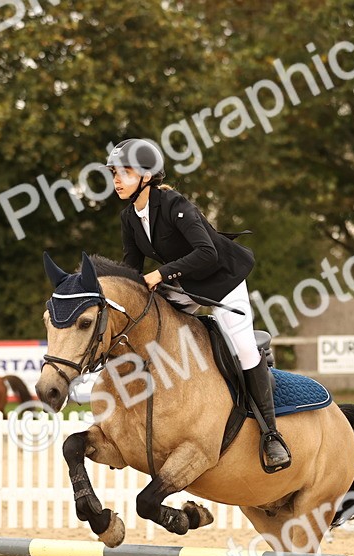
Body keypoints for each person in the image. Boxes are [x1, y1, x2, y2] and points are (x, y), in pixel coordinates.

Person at [105, 138, 290, 472]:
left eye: (125, 172)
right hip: (181, 285)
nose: (117, 179)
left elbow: (208, 253)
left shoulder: (175, 204)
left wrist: (159, 274)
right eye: (114, 172)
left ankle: (271, 436)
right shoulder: (129, 217)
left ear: (147, 176)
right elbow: (131, 268)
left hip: (222, 280)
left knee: (245, 349)